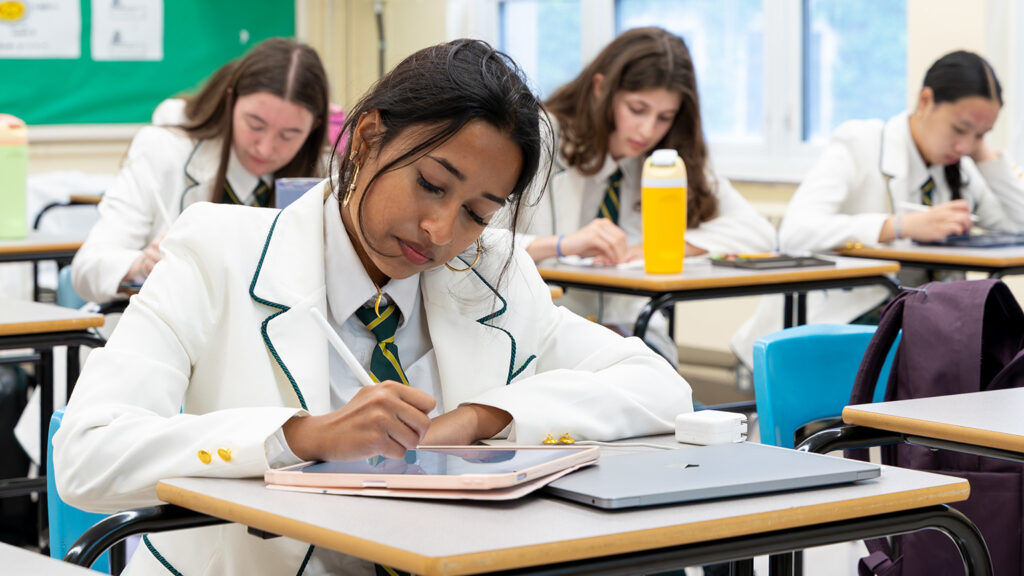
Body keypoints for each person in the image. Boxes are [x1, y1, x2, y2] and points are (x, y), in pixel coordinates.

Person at [54, 39, 692, 575]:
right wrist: (298, 437)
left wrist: (480, 419)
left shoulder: (493, 275)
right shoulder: (216, 255)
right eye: (431, 184)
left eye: (477, 212)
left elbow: (660, 388)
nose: (442, 230)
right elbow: (86, 456)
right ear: (365, 139)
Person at [731, 50, 1024, 368]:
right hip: (849, 317)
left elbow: (1018, 223)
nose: (965, 146)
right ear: (925, 101)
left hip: (925, 325)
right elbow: (795, 232)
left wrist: (987, 157)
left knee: (1001, 347)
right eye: (959, 129)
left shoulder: (963, 169)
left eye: (979, 136)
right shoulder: (860, 143)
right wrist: (900, 226)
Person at [516, 27, 775, 366]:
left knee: (675, 402)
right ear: (600, 89)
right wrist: (562, 244)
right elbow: (480, 243)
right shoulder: (537, 136)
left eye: (664, 117)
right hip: (547, 337)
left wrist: (652, 249)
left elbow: (759, 234)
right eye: (637, 109)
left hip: (633, 337)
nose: (647, 131)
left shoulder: (665, 157)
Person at [71, 37, 330, 304]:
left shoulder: (326, 178)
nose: (265, 148)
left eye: (288, 135)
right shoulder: (164, 150)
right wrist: (143, 266)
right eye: (255, 125)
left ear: (314, 128)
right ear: (231, 101)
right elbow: (87, 268)